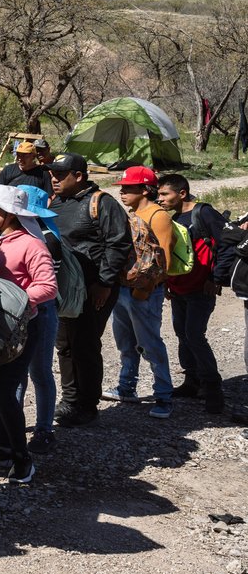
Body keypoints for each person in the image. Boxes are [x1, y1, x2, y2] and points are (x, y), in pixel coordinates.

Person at [0, 185, 57, 483]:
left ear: (10, 215)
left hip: (23, 327)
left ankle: (23, 459)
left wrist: (16, 301)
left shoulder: (32, 245)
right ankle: (4, 448)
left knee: (4, 388)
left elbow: (48, 286)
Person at [49, 153, 132, 427]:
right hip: (65, 289)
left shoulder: (102, 203)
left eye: (60, 174)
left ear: (79, 176)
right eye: (52, 174)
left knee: (85, 344)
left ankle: (87, 405)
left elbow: (118, 244)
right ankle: (69, 400)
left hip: (94, 288)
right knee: (65, 345)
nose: (54, 179)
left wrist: (105, 283)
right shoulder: (56, 202)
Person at [105, 166, 177, 418]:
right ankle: (127, 387)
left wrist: (143, 292)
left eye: (128, 188)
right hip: (125, 290)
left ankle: (164, 396)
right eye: (122, 188)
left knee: (150, 345)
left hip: (144, 293)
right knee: (125, 343)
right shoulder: (134, 213)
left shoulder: (159, 216)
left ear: (145, 189)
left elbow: (163, 262)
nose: (122, 192)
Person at [159, 173, 228, 414]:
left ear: (182, 193)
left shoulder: (204, 213)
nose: (160, 199)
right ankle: (192, 381)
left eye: (164, 194)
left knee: (194, 335)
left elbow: (227, 244)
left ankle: (213, 388)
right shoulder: (174, 217)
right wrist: (167, 282)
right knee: (182, 333)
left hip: (201, 288)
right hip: (179, 288)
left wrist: (215, 278)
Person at [8, 185, 63, 455]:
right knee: (16, 373)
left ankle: (44, 429)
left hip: (41, 311)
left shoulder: (44, 239)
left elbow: (48, 286)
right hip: (22, 312)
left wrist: (18, 298)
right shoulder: (25, 235)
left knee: (39, 372)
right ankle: (12, 423)